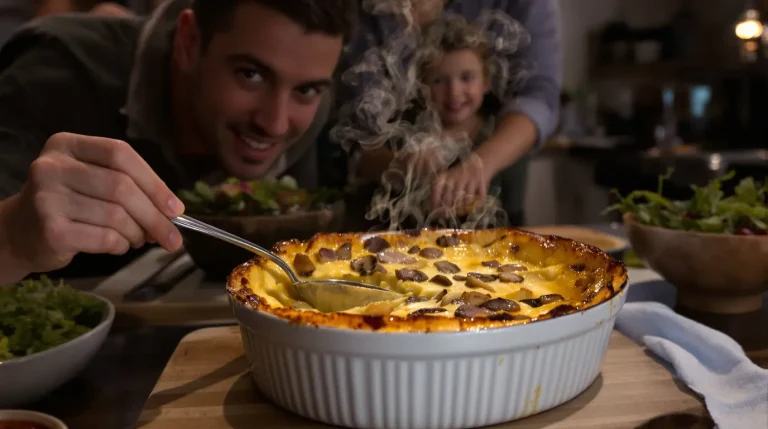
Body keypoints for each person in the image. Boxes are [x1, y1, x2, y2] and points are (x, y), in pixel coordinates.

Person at [0, 0, 357, 284]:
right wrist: (15, 237)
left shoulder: (317, 105)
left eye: (306, 90)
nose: (275, 124)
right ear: (188, 42)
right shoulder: (59, 69)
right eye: (251, 75)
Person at [335, 0, 561, 227]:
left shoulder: (503, 140)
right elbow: (360, 151)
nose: (454, 92)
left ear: (486, 81)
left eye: (467, 78)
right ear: (422, 85)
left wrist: (480, 166)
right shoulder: (405, 137)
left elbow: (514, 217)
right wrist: (401, 167)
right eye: (439, 80)